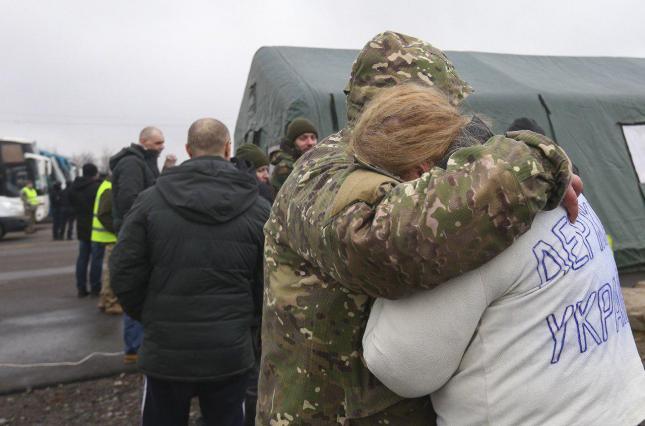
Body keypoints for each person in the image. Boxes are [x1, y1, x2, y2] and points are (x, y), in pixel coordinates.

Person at [257, 31, 581, 425]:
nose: (454, 121)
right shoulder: (323, 173)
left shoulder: (407, 165)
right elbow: (384, 245)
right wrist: (532, 161)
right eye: (444, 109)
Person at [361, 84, 645, 426]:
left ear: (418, 172)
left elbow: (400, 367)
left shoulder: (466, 229)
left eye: (386, 183)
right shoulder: (553, 181)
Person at [111, 118, 270, 426]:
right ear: (228, 149)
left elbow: (123, 270)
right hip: (230, 349)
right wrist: (248, 322)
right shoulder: (258, 208)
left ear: (187, 149)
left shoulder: (149, 201)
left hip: (167, 350)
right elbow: (270, 280)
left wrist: (150, 315)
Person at [110, 126, 172, 363]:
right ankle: (134, 348)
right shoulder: (132, 165)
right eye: (158, 143)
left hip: (141, 231)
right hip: (135, 234)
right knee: (136, 282)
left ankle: (139, 343)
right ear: (143, 141)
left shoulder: (145, 162)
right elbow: (130, 200)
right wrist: (141, 229)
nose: (162, 147)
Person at [68, 164, 103, 298]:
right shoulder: (97, 188)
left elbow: (70, 203)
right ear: (95, 173)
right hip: (96, 228)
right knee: (96, 259)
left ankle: (81, 288)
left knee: (82, 258)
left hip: (81, 226)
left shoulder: (73, 188)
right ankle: (95, 287)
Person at [91, 176, 122, 315]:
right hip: (110, 236)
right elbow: (103, 214)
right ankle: (111, 302)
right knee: (111, 272)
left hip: (104, 236)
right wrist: (117, 230)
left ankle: (104, 300)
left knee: (108, 271)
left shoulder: (106, 186)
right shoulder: (110, 188)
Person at [269, 117, 317, 191]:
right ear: (292, 143)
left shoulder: (320, 160)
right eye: (303, 138)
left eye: (313, 138)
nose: (310, 143)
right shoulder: (285, 168)